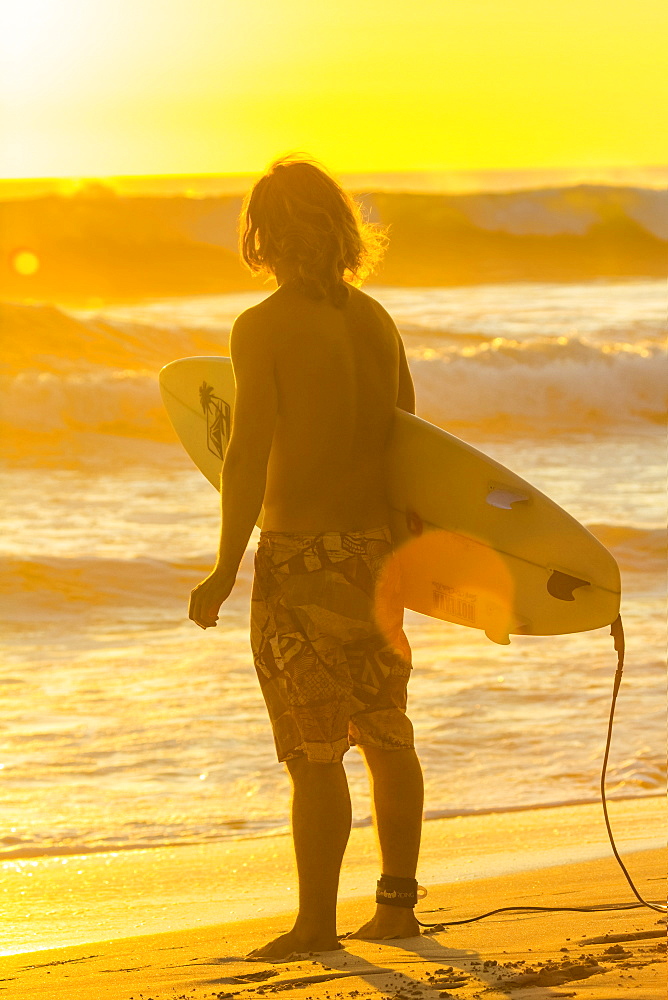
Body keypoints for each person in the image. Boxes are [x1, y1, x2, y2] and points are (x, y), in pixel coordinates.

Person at [188, 155, 424, 960]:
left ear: (261, 235)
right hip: (378, 556)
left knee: (315, 752)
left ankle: (317, 924)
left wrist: (223, 569)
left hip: (301, 564)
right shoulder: (376, 320)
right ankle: (397, 906)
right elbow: (412, 449)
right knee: (390, 734)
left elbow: (245, 457)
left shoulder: (263, 326)